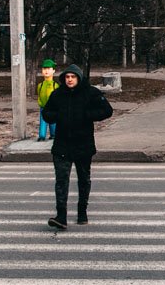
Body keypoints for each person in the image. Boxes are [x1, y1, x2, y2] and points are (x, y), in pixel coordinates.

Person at [40, 64, 113, 230]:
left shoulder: (90, 92)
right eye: (67, 77)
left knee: (84, 180)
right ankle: (61, 216)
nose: (70, 80)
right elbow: (47, 114)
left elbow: (107, 110)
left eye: (73, 77)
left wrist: (87, 115)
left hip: (83, 144)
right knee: (61, 181)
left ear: (79, 78)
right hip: (62, 145)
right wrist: (58, 116)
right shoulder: (58, 94)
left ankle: (82, 212)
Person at [36, 59, 58, 142]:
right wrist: (40, 103)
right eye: (44, 69)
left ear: (53, 71)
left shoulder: (55, 85)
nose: (46, 71)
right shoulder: (40, 85)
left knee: (53, 122)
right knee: (43, 122)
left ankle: (54, 134)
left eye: (49, 69)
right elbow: (39, 94)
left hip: (52, 108)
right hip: (43, 107)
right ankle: (42, 135)